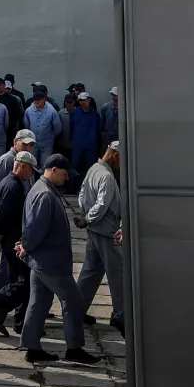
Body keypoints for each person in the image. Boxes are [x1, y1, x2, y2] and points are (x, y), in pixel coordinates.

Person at [17, 155, 98, 364]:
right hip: (50, 262)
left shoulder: (42, 189)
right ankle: (74, 349)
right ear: (53, 170)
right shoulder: (45, 194)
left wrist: (28, 246)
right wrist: (26, 245)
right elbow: (36, 228)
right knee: (73, 301)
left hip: (41, 261)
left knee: (39, 302)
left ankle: (32, 347)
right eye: (64, 174)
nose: (66, 178)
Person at [0, 150, 37, 333]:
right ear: (22, 166)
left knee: (19, 280)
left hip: (11, 241)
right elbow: (1, 216)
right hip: (13, 242)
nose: (32, 174)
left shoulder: (11, 182)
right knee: (25, 282)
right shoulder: (13, 187)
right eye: (31, 170)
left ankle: (19, 322)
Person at [75, 142, 125, 335]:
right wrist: (89, 218)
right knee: (117, 275)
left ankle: (76, 310)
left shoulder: (93, 169)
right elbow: (102, 204)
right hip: (106, 232)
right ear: (114, 156)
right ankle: (120, 314)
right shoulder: (106, 176)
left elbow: (81, 196)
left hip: (95, 230)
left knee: (90, 272)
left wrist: (85, 216)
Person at [23, 88, 63, 173]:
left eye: (39, 99)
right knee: (31, 164)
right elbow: (27, 125)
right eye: (35, 100)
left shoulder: (51, 111)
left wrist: (50, 136)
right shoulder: (29, 111)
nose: (37, 102)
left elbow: (58, 128)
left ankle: (43, 184)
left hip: (46, 144)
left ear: (44, 99)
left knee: (45, 165)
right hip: (33, 143)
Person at [67, 94, 101, 182]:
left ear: (89, 100)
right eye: (80, 101)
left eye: (84, 100)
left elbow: (98, 129)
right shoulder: (74, 113)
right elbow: (71, 128)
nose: (82, 102)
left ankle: (91, 186)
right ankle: (73, 187)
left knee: (91, 166)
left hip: (91, 144)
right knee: (75, 165)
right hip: (78, 143)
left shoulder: (95, 114)